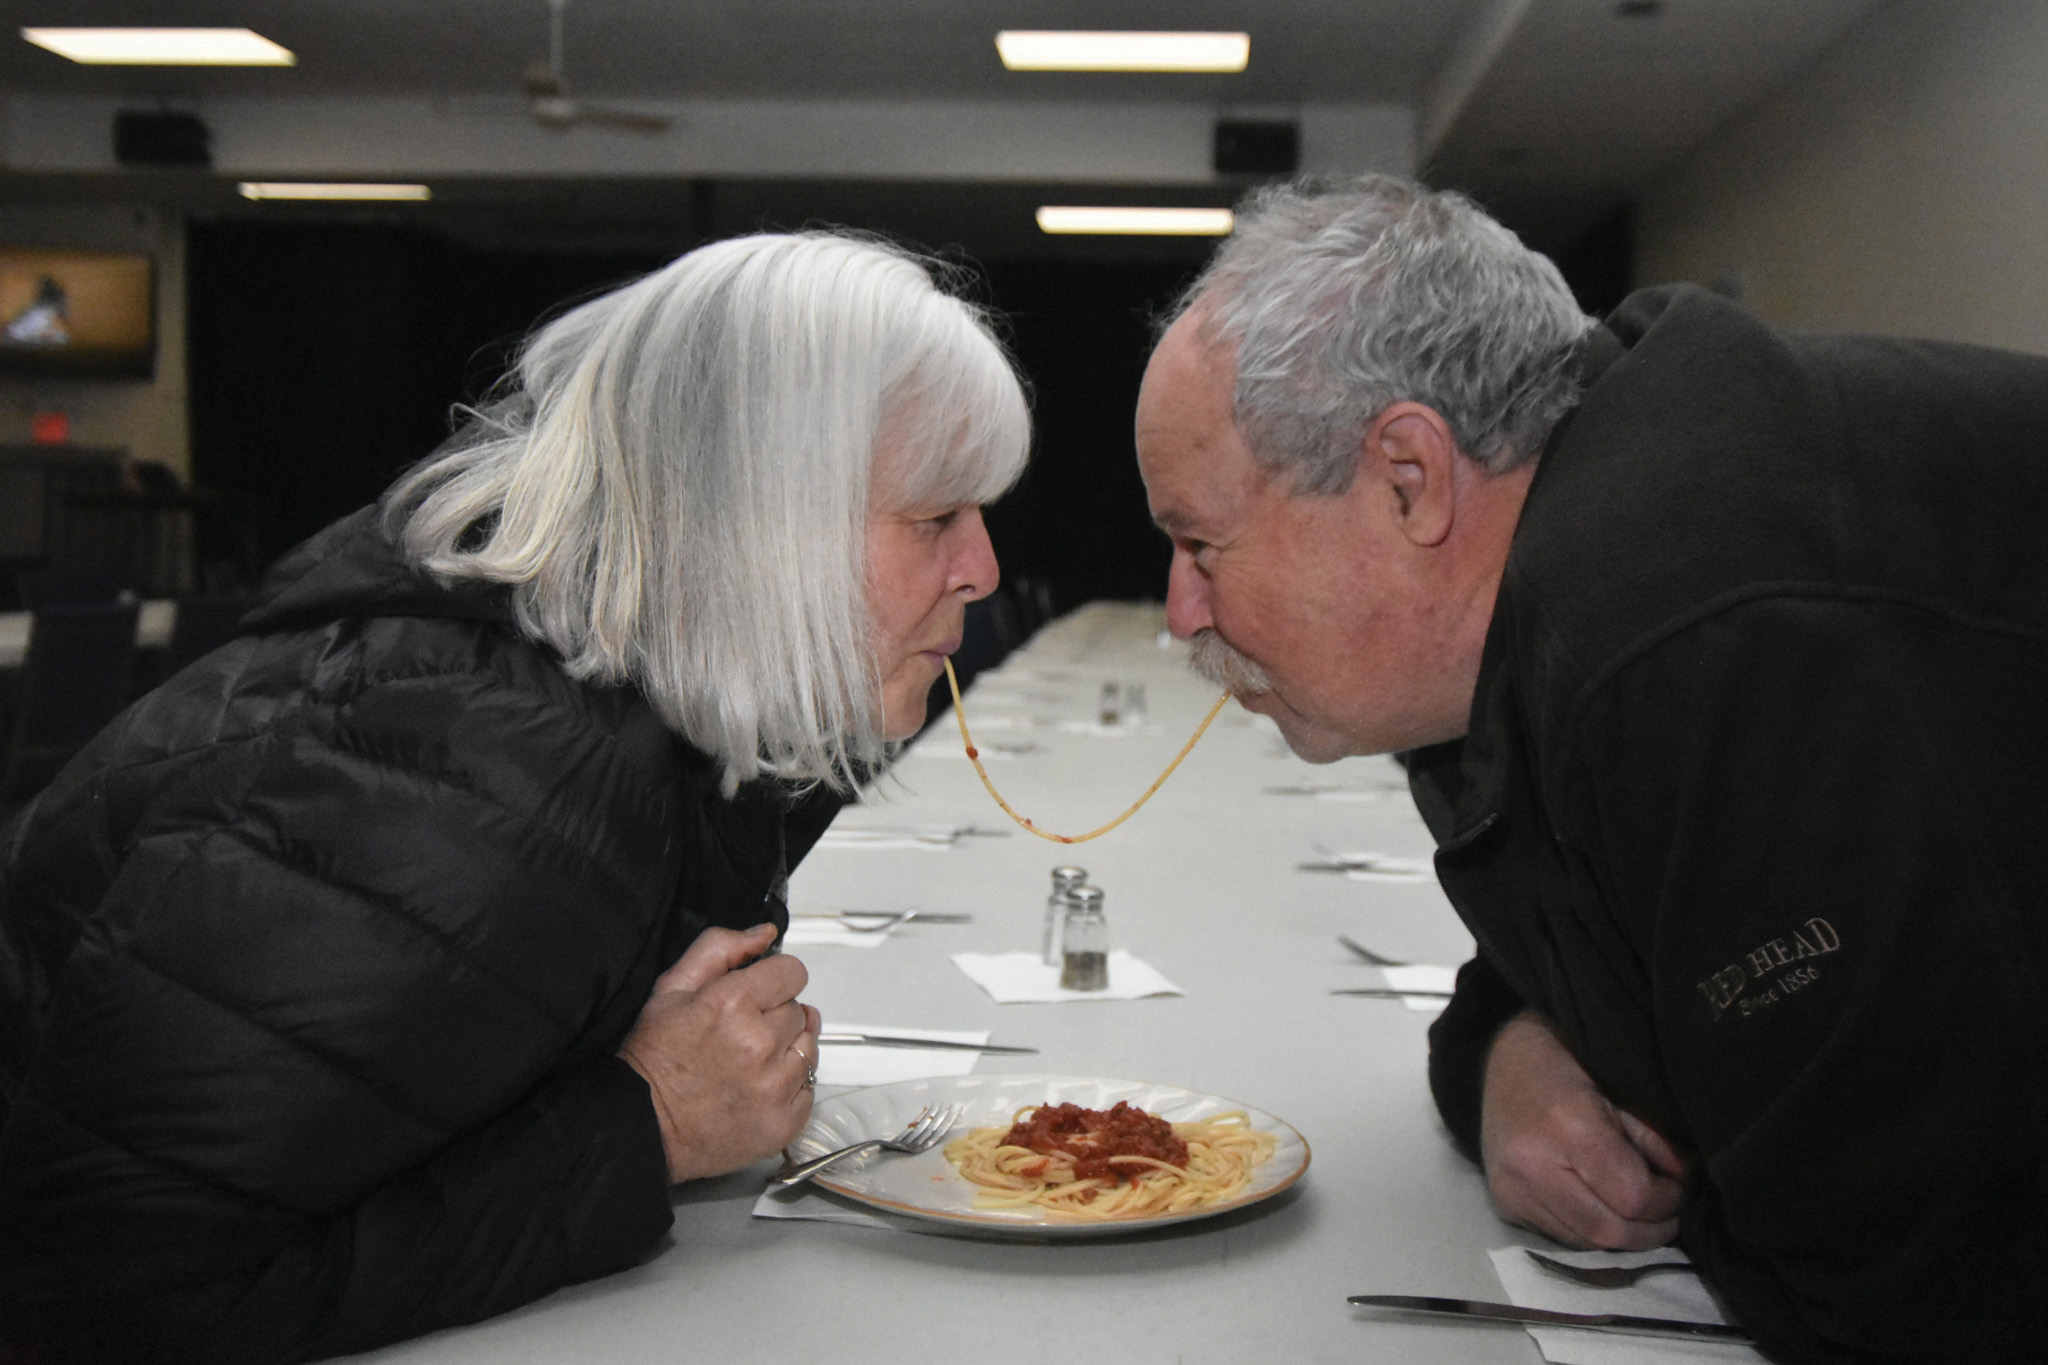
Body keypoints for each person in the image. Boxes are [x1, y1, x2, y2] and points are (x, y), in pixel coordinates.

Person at [0, 231, 1028, 1364]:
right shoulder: (464, 773)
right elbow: (109, 1291)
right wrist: (652, 1124)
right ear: (759, 523)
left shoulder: (587, 718)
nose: (978, 567)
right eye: (934, 519)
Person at [1134, 174, 2048, 1362]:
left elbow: (1910, 1291)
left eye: (1200, 541)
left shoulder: (1686, 637)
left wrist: (1677, 1128)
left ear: (1408, 480)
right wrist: (1513, 1054)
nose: (1177, 611)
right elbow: (1581, 949)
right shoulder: (1563, 585)